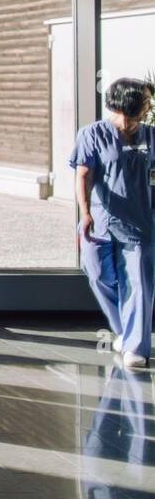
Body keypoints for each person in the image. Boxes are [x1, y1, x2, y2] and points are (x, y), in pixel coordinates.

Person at [70, 77, 155, 370]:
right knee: (97, 273)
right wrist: (85, 212)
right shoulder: (92, 134)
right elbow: (83, 175)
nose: (147, 107)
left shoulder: (150, 136)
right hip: (100, 219)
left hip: (141, 222)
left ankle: (136, 346)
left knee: (139, 285)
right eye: (143, 102)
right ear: (124, 104)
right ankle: (124, 331)